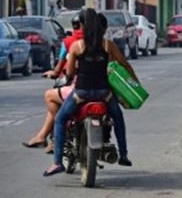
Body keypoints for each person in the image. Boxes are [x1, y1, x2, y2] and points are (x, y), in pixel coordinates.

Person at [44, 9, 138, 176]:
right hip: (104, 94)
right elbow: (124, 64)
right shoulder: (108, 45)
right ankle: (123, 154)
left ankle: (57, 162)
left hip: (81, 94)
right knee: (117, 117)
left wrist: (71, 74)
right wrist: (135, 82)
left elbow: (70, 73)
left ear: (83, 26)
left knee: (60, 119)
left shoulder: (77, 46)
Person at [22, 14, 84, 153]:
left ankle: (55, 138)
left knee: (51, 98)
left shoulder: (70, 43)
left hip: (77, 88)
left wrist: (55, 73)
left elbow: (65, 68)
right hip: (102, 90)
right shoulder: (102, 43)